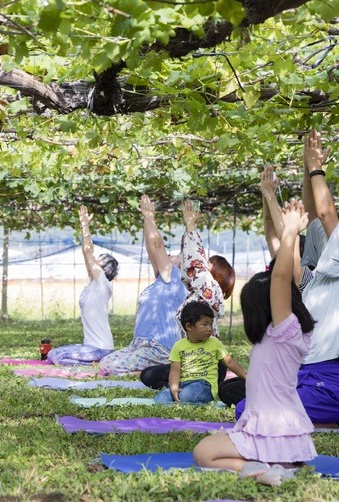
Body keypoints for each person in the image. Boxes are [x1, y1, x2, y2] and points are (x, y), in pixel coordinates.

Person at [194, 199, 316, 486]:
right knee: (211, 448)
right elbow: (286, 276)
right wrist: (277, 216)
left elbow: (282, 277)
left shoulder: (282, 330)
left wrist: (290, 232)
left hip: (270, 433)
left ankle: (257, 468)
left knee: (202, 453)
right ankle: (276, 468)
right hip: (287, 441)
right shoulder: (290, 335)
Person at [234, 130, 339, 426]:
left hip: (330, 372)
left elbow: (326, 213)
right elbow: (315, 218)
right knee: (244, 408)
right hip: (305, 372)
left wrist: (316, 167)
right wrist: (308, 169)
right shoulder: (317, 277)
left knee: (261, 412)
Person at [139, 199, 236, 394]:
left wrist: (190, 224)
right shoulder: (198, 292)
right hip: (192, 360)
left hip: (206, 364)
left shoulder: (209, 286)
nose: (203, 263)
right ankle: (189, 385)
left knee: (182, 387)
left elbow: (195, 261)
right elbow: (189, 260)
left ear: (213, 272)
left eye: (208, 263)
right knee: (148, 375)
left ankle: (196, 387)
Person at [99, 195, 187, 375]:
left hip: (159, 349)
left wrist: (149, 216)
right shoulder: (164, 280)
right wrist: (146, 220)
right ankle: (154, 370)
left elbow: (157, 247)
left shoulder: (176, 278)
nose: (173, 255)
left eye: (178, 255)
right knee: (106, 362)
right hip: (140, 345)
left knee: (113, 367)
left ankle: (156, 371)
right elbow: (151, 249)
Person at [47, 206, 118, 365]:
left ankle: (93, 365)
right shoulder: (94, 282)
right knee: (53, 354)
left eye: (98, 260)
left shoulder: (102, 284)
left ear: (103, 267)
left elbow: (88, 252)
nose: (93, 262)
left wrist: (85, 225)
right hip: (90, 347)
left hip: (100, 348)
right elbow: (86, 256)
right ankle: (94, 363)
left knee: (55, 356)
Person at [153, 301, 246, 405]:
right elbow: (175, 371)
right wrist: (174, 387)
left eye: (211, 324)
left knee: (186, 395)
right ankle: (190, 402)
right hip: (183, 384)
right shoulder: (178, 346)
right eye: (205, 324)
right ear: (189, 327)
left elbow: (229, 362)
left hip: (205, 385)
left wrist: (246, 377)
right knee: (159, 399)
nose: (210, 328)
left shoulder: (215, 342)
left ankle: (191, 402)